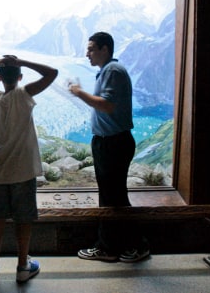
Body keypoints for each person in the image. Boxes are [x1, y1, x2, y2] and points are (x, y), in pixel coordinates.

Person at [68, 31, 149, 263]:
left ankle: (124, 245)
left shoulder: (113, 71)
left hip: (113, 143)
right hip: (109, 142)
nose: (87, 53)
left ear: (105, 49)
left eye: (92, 48)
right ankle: (116, 245)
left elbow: (107, 105)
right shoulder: (108, 71)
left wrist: (78, 92)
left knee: (113, 198)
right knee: (113, 197)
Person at [0, 55, 58, 284]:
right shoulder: (24, 95)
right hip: (23, 170)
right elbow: (52, 73)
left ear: (1, 78)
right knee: (23, 219)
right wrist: (22, 61)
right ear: (21, 77)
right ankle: (23, 265)